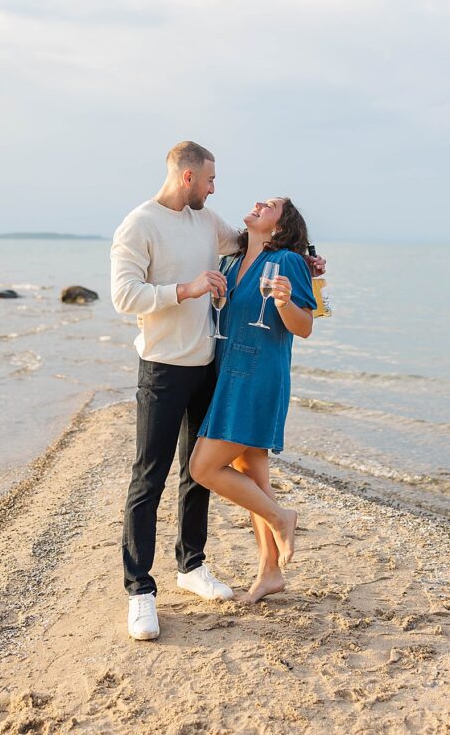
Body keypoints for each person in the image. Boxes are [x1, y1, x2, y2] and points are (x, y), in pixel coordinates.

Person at [110, 141, 240, 641]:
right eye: (210, 179)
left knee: (199, 473)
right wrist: (185, 289)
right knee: (149, 480)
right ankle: (140, 592)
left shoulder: (206, 221)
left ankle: (191, 566)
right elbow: (124, 295)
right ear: (188, 178)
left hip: (206, 366)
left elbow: (246, 243)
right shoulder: (139, 225)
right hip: (162, 370)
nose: (213, 188)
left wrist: (301, 257)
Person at [189, 197, 316, 604]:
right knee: (255, 478)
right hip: (227, 374)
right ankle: (270, 573)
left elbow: (306, 326)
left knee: (203, 467)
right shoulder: (232, 260)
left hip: (259, 378)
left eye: (273, 204)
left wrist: (285, 304)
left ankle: (282, 518)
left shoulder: (290, 262)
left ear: (281, 226)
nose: (260, 203)